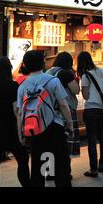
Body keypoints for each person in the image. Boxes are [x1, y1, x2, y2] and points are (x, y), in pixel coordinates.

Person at [16, 50, 73, 187]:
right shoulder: (53, 81)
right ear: (42, 63)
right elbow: (63, 104)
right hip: (55, 126)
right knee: (60, 163)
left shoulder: (22, 86)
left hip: (35, 129)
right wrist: (69, 123)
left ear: (26, 65)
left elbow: (19, 112)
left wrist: (20, 132)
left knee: (38, 164)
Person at [0, 57, 30, 187]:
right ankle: (26, 184)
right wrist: (20, 131)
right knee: (22, 159)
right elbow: (16, 110)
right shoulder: (13, 86)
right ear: (9, 69)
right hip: (10, 128)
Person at [46, 52, 81, 171]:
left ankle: (49, 171)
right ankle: (65, 171)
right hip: (66, 110)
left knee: (50, 142)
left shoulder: (48, 73)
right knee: (67, 142)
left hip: (49, 111)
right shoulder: (65, 74)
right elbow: (76, 90)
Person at [78, 51, 103, 177]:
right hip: (102, 110)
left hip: (91, 109)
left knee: (92, 139)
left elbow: (85, 96)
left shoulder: (86, 76)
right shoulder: (102, 71)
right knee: (102, 137)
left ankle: (94, 169)